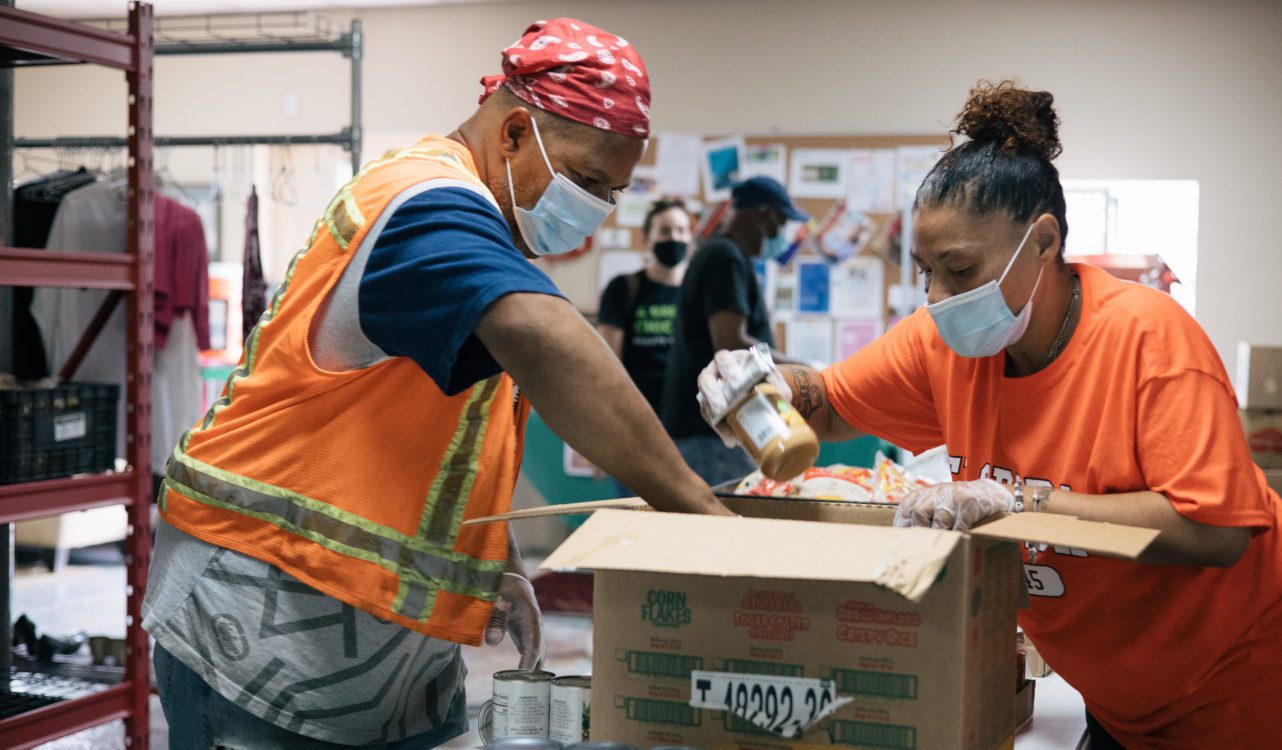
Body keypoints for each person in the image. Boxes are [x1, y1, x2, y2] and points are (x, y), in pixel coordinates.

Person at [143, 19, 729, 749]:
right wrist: (706, 517)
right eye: (585, 180)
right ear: (514, 132)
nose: (595, 209)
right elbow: (546, 340)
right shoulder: (425, 203)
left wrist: (493, 561)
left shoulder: (481, 232)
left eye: (612, 191)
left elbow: (441, 425)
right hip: (262, 612)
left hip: (374, 634)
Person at [697, 81, 1282, 748]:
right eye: (925, 273)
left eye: (961, 271)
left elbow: (1215, 531)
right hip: (1120, 699)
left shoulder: (1150, 342)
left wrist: (1020, 501)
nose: (939, 298)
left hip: (1238, 681)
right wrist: (760, 384)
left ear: (1042, 242)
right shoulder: (944, 343)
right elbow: (826, 405)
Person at [660, 176, 808, 486]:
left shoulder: (723, 254)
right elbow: (731, 343)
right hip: (710, 434)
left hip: (709, 429)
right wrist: (804, 369)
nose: (782, 233)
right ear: (764, 214)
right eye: (781, 221)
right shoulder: (724, 258)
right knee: (726, 526)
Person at [596, 198, 692, 415]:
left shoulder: (698, 292)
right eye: (665, 231)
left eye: (681, 231)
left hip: (686, 414)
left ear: (690, 238)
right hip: (637, 411)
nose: (674, 238)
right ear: (648, 239)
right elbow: (609, 360)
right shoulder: (624, 287)